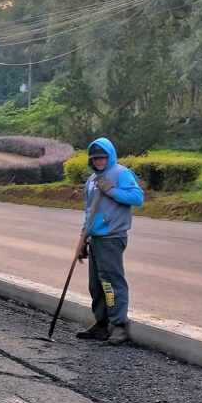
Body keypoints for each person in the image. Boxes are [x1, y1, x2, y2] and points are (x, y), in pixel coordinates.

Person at [75, 137, 144, 345]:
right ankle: (101, 323)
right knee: (96, 284)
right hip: (95, 237)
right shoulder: (92, 180)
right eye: (95, 158)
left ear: (110, 156)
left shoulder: (121, 174)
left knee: (111, 282)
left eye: (102, 157)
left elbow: (137, 198)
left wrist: (112, 191)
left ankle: (120, 325)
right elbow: (89, 212)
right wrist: (82, 239)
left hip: (112, 237)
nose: (99, 161)